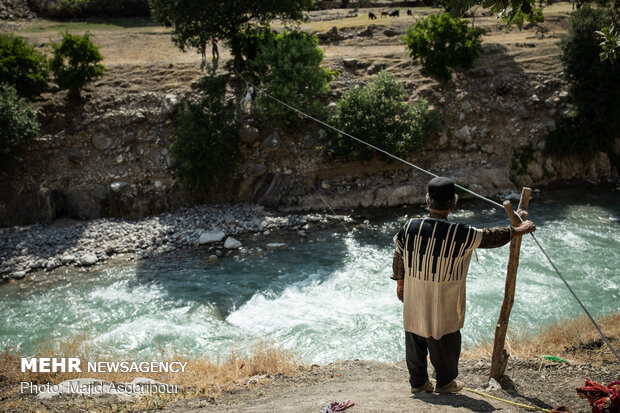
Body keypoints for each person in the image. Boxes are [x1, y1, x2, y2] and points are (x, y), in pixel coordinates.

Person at [391, 176, 536, 394]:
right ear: (453, 205)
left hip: (415, 294)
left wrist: (400, 283)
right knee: (446, 339)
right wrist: (517, 230)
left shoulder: (410, 226)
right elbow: (490, 237)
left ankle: (419, 383)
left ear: (428, 202)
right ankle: (445, 383)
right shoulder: (462, 232)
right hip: (445, 297)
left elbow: (398, 255)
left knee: (414, 336)